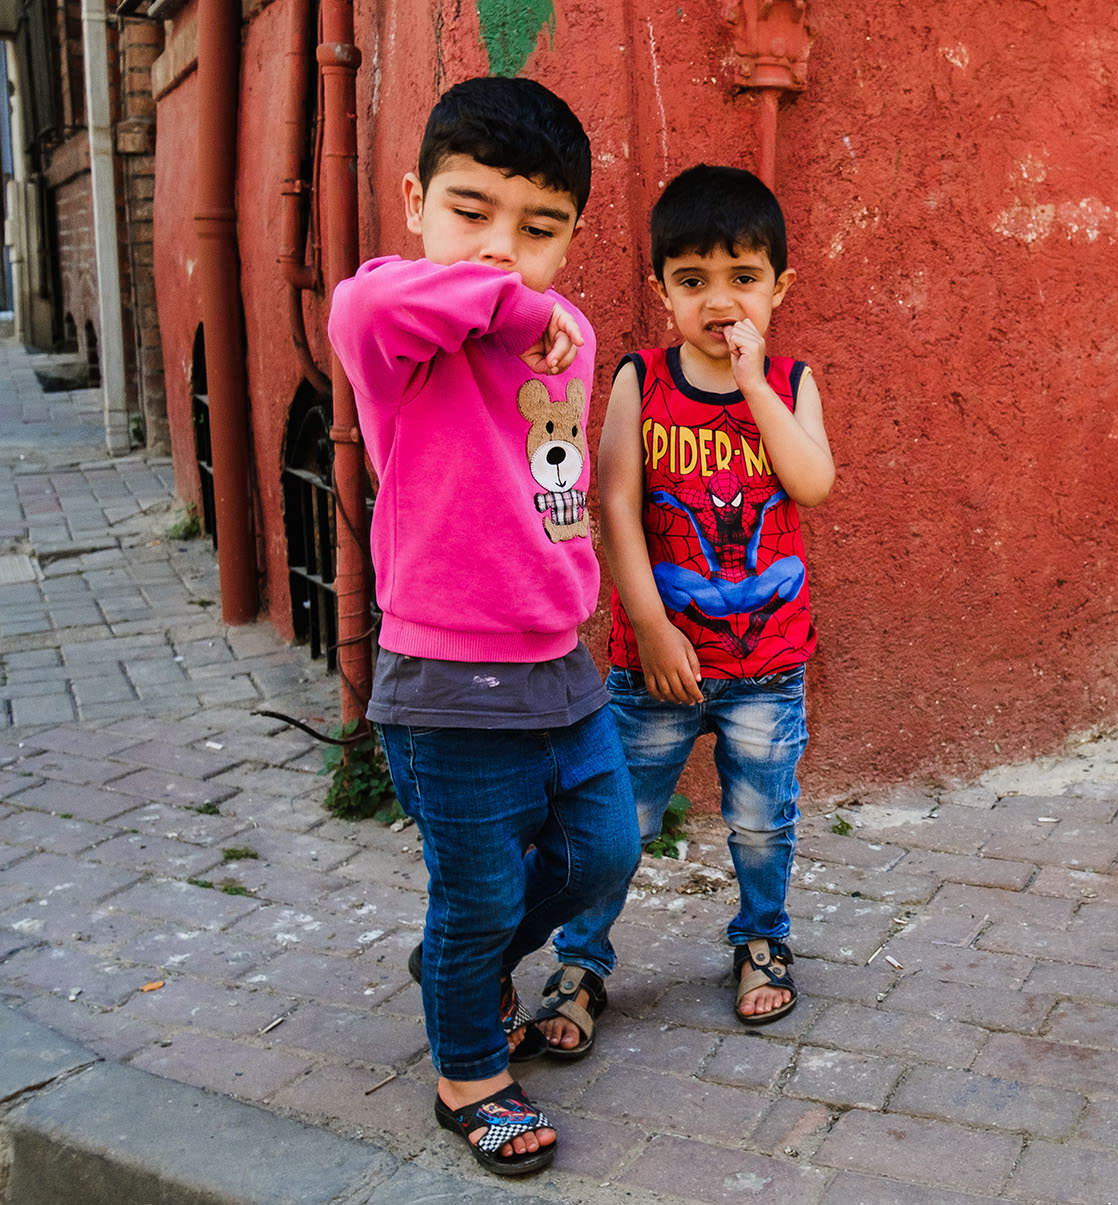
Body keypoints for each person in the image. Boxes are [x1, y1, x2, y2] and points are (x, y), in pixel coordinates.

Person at [327, 76, 639, 1178]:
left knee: (605, 851)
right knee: (480, 890)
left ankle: (456, 961)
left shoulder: (570, 333)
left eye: (537, 228)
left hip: (559, 665)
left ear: (572, 237)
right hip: (447, 681)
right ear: (414, 201)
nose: (502, 248)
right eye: (471, 211)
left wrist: (579, 586)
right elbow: (359, 307)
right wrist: (507, 302)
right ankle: (468, 1069)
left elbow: (552, 481)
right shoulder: (395, 331)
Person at [545, 163, 834, 1037]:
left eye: (743, 280)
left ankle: (762, 939)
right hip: (655, 665)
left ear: (778, 287)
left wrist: (752, 384)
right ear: (661, 289)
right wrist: (649, 625)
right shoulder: (640, 379)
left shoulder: (789, 383)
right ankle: (580, 962)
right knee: (618, 827)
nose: (720, 301)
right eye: (693, 281)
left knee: (760, 820)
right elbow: (617, 503)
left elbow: (812, 482)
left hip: (766, 663)